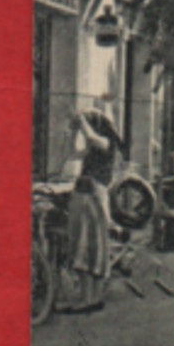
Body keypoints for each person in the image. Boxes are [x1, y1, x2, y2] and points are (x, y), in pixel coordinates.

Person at [67, 104, 126, 311]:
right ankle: (88, 299)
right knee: (84, 248)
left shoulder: (106, 143)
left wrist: (82, 119)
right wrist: (75, 130)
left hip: (92, 198)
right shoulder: (94, 147)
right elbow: (73, 152)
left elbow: (92, 138)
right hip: (85, 196)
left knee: (93, 247)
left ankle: (92, 299)